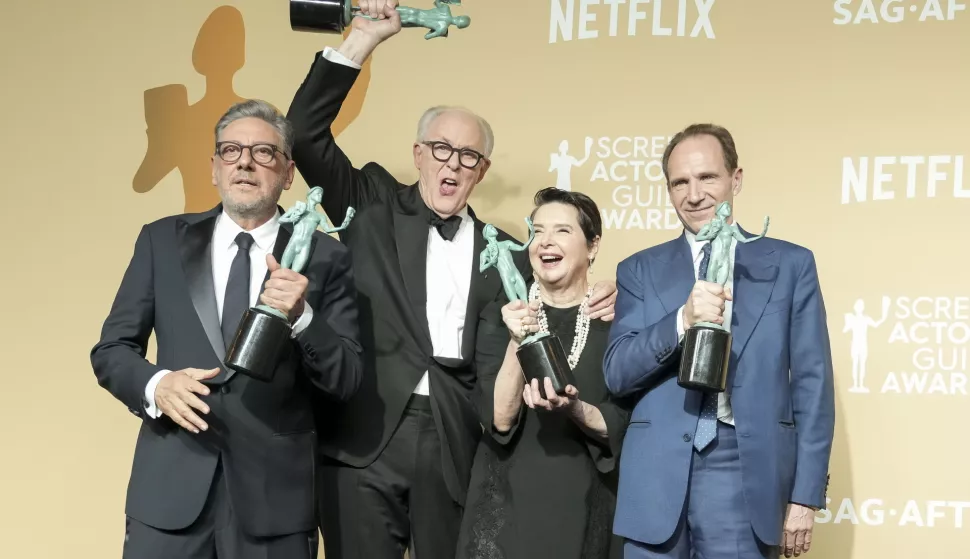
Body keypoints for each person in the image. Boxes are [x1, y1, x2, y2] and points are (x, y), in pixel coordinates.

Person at [286, 2, 617, 557]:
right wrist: (362, 40)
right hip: (362, 443)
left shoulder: (509, 254)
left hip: (455, 443)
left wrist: (606, 292)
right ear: (418, 154)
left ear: (481, 170)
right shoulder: (370, 203)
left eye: (468, 156)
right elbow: (302, 134)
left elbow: (557, 297)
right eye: (441, 149)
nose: (453, 164)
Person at [90, 99, 363, 559]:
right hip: (168, 495)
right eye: (231, 150)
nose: (245, 163)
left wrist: (303, 318)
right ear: (214, 167)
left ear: (288, 173)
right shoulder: (161, 240)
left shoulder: (326, 256)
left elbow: (347, 378)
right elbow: (112, 350)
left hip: (275, 502)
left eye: (263, 152)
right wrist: (157, 385)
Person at [603, 123, 834, 559]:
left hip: (745, 470)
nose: (694, 195)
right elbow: (618, 373)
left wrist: (805, 496)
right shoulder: (638, 269)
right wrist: (681, 320)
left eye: (707, 177)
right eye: (680, 183)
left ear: (736, 179)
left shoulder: (790, 264)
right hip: (655, 475)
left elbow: (812, 384)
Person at [457, 187, 633, 559]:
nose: (545, 242)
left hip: (586, 500)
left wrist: (576, 410)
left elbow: (622, 421)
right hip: (509, 505)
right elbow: (499, 418)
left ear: (593, 245)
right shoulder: (499, 316)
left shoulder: (618, 320)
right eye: (537, 232)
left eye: (562, 231)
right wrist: (517, 338)